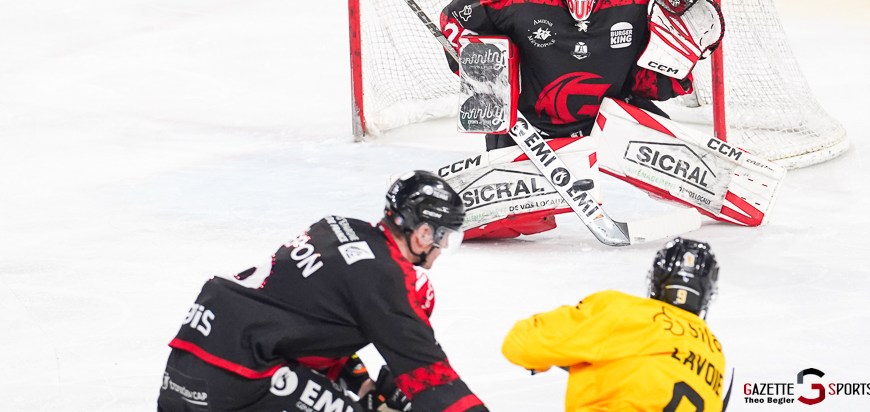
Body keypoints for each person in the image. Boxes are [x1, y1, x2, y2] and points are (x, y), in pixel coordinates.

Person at [157, 170, 488, 412]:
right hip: (240, 376)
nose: (443, 248)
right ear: (424, 233)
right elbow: (432, 378)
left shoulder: (336, 227)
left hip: (186, 362)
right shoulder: (387, 280)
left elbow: (314, 327)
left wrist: (365, 388)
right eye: (445, 237)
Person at [440, 0, 693, 152]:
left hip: (608, 121)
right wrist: (483, 77)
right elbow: (453, 18)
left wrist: (682, 48)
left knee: (681, 155)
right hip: (526, 126)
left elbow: (656, 74)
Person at [501, 237, 727, 412]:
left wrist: (559, 355)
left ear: (657, 281)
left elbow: (520, 345)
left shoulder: (623, 312)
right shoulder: (714, 353)